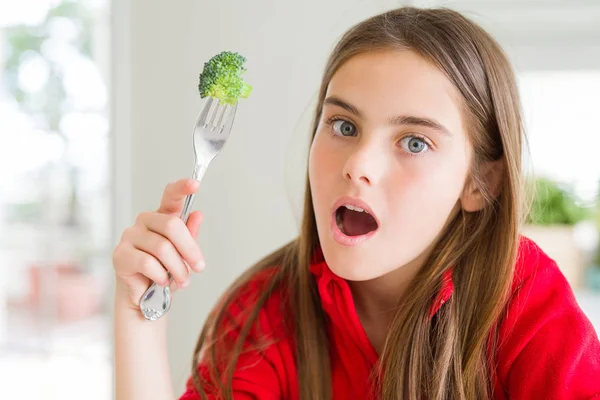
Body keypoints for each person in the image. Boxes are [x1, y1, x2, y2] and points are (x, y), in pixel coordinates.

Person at [112, 6, 600, 400]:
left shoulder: (525, 303)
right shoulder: (269, 308)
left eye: (414, 142)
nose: (358, 164)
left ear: (480, 182)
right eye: (344, 126)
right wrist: (137, 315)